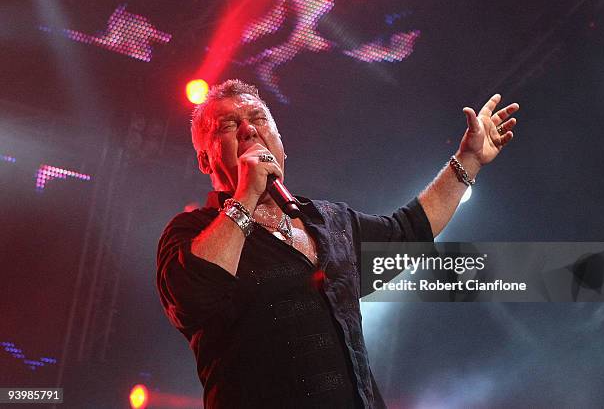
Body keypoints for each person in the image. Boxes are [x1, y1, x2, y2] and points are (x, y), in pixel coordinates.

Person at [156, 79, 519, 408]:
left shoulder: (329, 220)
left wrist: (468, 160)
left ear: (281, 146)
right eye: (229, 125)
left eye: (259, 118)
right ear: (205, 160)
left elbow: (406, 233)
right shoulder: (190, 232)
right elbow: (194, 295)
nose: (250, 129)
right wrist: (244, 198)